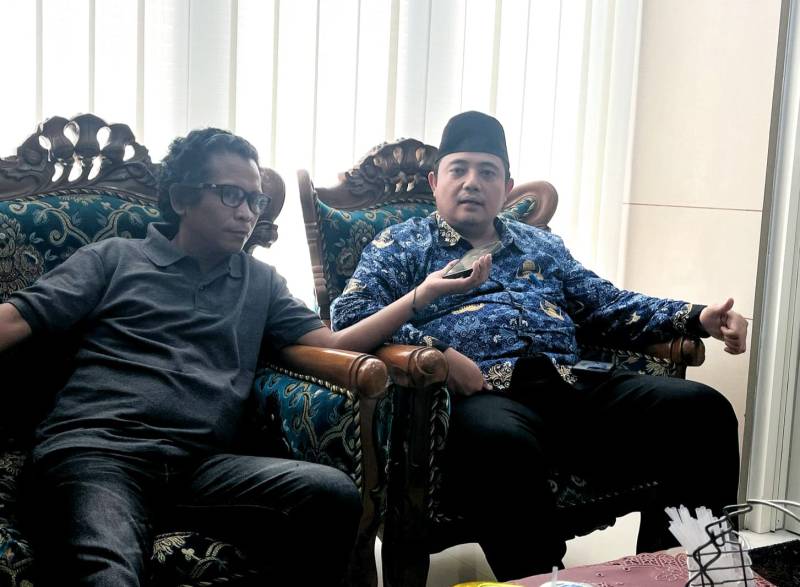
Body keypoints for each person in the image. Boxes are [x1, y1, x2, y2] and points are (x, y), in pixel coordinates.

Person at [0, 127, 490, 586]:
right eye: (230, 195)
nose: (247, 213)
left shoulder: (260, 282)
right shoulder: (114, 258)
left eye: (255, 199)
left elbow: (335, 345)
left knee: (330, 492)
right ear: (182, 199)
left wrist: (422, 295)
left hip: (198, 466)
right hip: (98, 453)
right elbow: (13, 322)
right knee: (107, 573)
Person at [330, 111, 747, 580]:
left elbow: (608, 303)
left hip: (570, 383)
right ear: (434, 181)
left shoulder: (541, 245)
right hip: (483, 395)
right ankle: (546, 580)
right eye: (458, 170)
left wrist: (697, 316)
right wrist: (439, 354)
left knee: (702, 409)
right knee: (500, 442)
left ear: (506, 187)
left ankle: (679, 572)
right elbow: (351, 317)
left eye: (487, 172)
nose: (472, 182)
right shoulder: (402, 244)